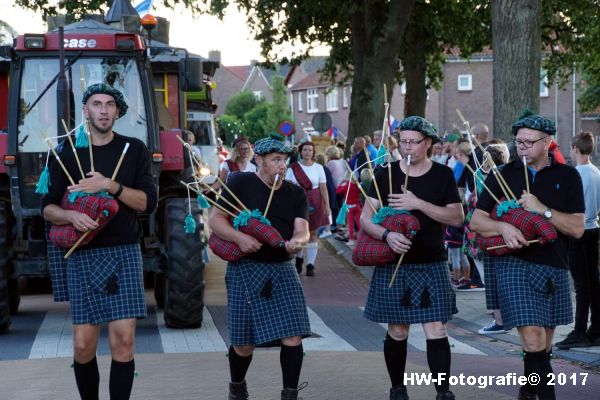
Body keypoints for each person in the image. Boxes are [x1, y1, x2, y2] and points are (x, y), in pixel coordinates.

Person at [42, 83, 158, 400]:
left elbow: (148, 203)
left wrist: (109, 185)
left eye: (109, 105)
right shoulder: (66, 151)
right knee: (82, 345)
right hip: (82, 255)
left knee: (123, 340)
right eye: (96, 104)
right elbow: (48, 209)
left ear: (117, 111)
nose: (103, 110)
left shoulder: (133, 150)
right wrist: (71, 217)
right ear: (86, 110)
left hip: (123, 251)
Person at [470, 113, 584, 400]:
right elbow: (475, 221)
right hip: (513, 264)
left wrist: (541, 209)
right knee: (532, 338)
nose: (521, 147)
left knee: (543, 344)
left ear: (547, 143)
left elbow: (577, 228)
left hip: (554, 264)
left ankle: (528, 387)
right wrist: (502, 226)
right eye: (518, 141)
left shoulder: (568, 176)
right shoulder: (502, 174)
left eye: (528, 142)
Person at [361, 116, 464, 400]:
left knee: (437, 328)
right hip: (394, 263)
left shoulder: (442, 176)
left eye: (413, 142)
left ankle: (443, 392)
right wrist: (386, 236)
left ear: (428, 143)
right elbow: (365, 219)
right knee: (397, 328)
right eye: (402, 141)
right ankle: (397, 389)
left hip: (431, 261)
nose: (406, 147)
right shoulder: (385, 174)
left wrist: (417, 203)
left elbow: (457, 217)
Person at [208, 136, 311, 400]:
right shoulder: (240, 182)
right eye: (276, 160)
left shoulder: (295, 192)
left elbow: (302, 231)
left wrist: (296, 243)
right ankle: (237, 387)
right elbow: (216, 220)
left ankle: (290, 394)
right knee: (243, 344)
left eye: (284, 160)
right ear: (259, 160)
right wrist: (239, 238)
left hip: (282, 268)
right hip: (246, 268)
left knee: (293, 336)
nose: (281, 166)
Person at [556, 132, 600, 349]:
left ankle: (580, 330)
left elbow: (569, 206)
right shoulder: (596, 172)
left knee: (582, 285)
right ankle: (597, 327)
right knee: (594, 281)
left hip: (578, 232)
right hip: (594, 229)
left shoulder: (574, 175)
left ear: (575, 148)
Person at [285, 141, 330, 276]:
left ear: (313, 152)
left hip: (315, 202)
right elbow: (287, 187)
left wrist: (326, 205)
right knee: (299, 232)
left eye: (310, 150)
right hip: (297, 202)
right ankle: (299, 259)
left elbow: (323, 188)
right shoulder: (292, 168)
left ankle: (310, 264)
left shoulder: (319, 168)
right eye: (305, 150)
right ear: (300, 152)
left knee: (313, 234)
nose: (307, 152)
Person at [336, 172, 361, 246]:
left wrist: (341, 183)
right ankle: (362, 238)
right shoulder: (357, 185)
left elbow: (338, 191)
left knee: (351, 224)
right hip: (357, 206)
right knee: (359, 223)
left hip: (350, 207)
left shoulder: (347, 186)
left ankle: (351, 239)